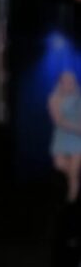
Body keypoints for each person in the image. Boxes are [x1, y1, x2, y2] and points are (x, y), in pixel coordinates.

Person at [48, 69, 81, 203]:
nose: (69, 83)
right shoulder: (54, 98)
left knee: (74, 171)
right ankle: (72, 183)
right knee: (60, 166)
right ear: (60, 83)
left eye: (71, 81)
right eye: (66, 81)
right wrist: (78, 129)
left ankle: (71, 201)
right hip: (62, 136)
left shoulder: (79, 98)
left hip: (77, 139)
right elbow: (58, 120)